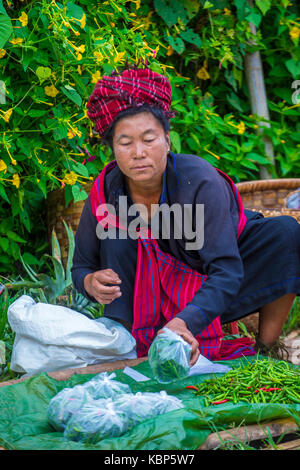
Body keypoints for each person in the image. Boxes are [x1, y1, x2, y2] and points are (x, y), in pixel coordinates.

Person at [71, 66, 300, 365]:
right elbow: (81, 266)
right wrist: (89, 282)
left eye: (149, 139)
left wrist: (186, 321)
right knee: (117, 235)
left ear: (167, 140)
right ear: (113, 148)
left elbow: (227, 271)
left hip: (209, 288)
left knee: (285, 233)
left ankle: (267, 350)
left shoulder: (200, 182)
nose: (138, 152)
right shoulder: (105, 191)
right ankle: (129, 344)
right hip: (144, 300)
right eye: (125, 143)